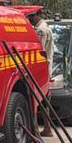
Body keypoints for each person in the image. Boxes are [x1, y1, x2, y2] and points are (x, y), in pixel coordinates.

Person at [28, 8, 54, 136]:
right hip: (45, 68)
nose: (30, 19)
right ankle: (46, 129)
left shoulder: (40, 30)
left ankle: (36, 130)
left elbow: (39, 50)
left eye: (32, 16)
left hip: (41, 69)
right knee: (44, 100)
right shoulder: (44, 27)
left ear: (38, 15)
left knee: (35, 99)